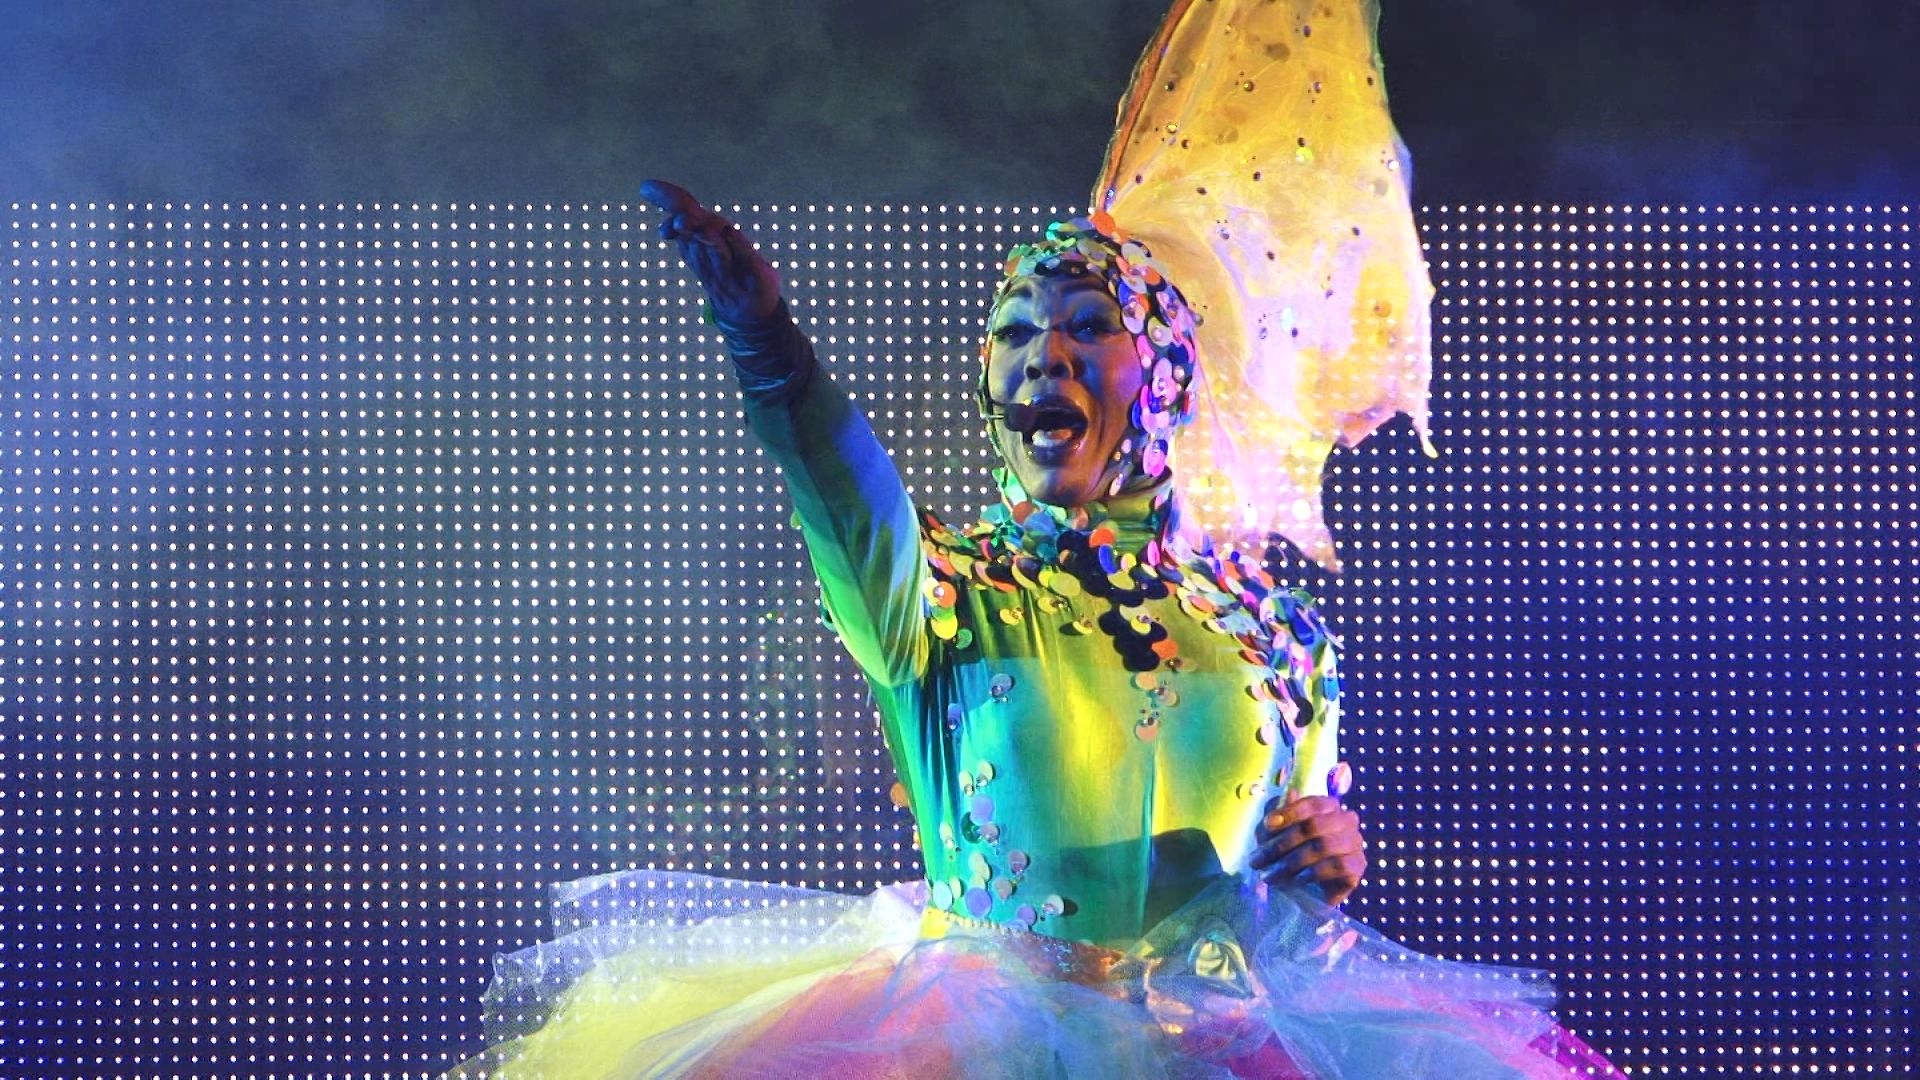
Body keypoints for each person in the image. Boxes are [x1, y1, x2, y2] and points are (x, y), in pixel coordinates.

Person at [448, 2, 1627, 1074]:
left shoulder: (1274, 635)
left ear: (1162, 375)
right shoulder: (941, 595)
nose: (1042, 357)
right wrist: (769, 346)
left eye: (1084, 326)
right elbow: (839, 490)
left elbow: (1288, 910)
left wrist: (1321, 863)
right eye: (1014, 334)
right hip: (970, 1043)